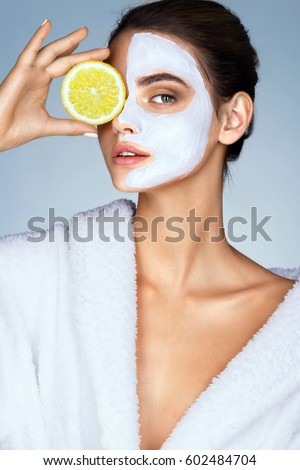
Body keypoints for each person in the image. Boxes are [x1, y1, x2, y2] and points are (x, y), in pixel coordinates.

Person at [0, 0, 299, 451]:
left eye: (162, 96)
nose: (120, 120)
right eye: (115, 95)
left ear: (232, 118)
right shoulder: (23, 280)